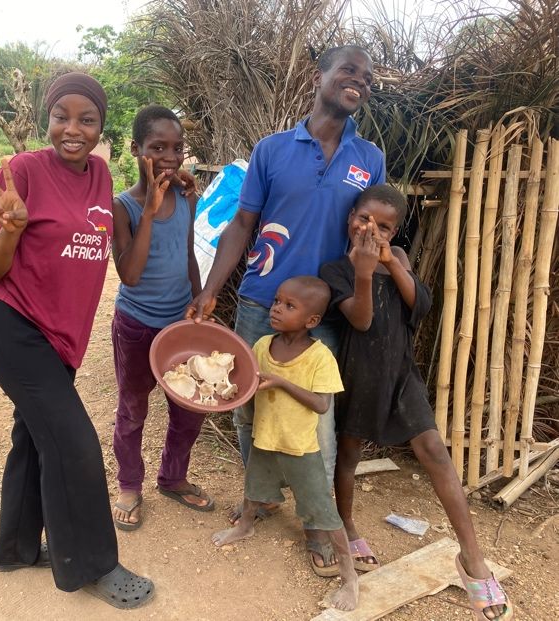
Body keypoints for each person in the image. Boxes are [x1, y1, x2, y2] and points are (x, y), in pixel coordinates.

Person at [0, 72, 154, 610]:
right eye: (61, 117)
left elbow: (122, 242)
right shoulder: (23, 170)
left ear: (101, 128)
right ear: (46, 118)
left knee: (34, 438)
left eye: (87, 119)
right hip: (14, 328)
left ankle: (15, 547)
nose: (72, 130)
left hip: (61, 337)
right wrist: (10, 230)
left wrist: (167, 187)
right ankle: (93, 563)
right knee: (72, 444)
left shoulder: (100, 174)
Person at [185, 45, 386, 511]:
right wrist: (211, 291)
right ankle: (262, 499)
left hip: (327, 311)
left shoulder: (369, 158)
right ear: (321, 75)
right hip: (263, 302)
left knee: (319, 420)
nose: (359, 81)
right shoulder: (271, 149)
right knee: (248, 404)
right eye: (349, 70)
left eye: (368, 78)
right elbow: (241, 225)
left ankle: (319, 520)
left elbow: (373, 229)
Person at [320, 185, 513, 621]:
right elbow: (362, 320)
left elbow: (420, 304)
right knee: (348, 457)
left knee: (436, 455)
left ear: (396, 231)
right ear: (351, 214)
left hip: (402, 376)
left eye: (384, 226)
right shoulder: (335, 270)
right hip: (358, 378)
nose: (370, 229)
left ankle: (472, 558)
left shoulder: (400, 260)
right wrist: (365, 272)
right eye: (364, 218)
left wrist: (389, 261)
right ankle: (348, 527)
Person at [211, 276, 357, 612]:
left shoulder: (320, 357)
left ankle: (350, 579)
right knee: (254, 486)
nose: (277, 308)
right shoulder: (262, 345)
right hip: (265, 438)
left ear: (312, 321)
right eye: (277, 301)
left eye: (289, 305)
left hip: (300, 447)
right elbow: (247, 386)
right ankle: (245, 527)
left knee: (322, 509)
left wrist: (280, 382)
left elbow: (321, 405)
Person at [110, 105, 213, 531]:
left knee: (189, 409)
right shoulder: (124, 207)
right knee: (133, 409)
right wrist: (150, 209)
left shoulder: (187, 198)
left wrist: (198, 303)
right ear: (136, 149)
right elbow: (130, 275)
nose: (169, 157)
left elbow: (189, 255)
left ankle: (173, 478)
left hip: (178, 326)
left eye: (176, 148)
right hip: (136, 325)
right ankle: (129, 485)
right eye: (157, 147)